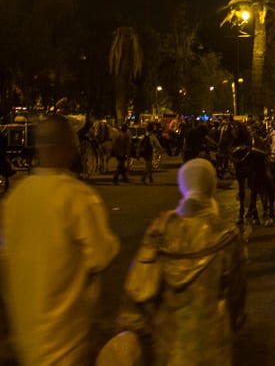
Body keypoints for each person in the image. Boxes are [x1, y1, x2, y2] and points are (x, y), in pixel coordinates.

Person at [1, 114, 120, 365]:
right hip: (66, 340)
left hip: (27, 339)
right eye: (75, 143)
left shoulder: (17, 196)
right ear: (65, 147)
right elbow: (102, 254)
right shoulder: (78, 197)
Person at [118, 158, 247, 365]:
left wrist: (135, 323)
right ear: (211, 186)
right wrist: (234, 320)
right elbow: (237, 293)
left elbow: (137, 284)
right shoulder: (226, 235)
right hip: (211, 341)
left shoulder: (160, 229)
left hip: (168, 340)